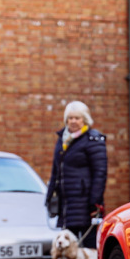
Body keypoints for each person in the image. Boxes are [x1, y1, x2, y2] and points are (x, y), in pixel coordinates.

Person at [45, 100, 107, 249]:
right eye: (70, 118)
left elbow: (100, 173)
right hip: (67, 205)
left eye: (77, 118)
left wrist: (95, 202)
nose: (73, 121)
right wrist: (49, 197)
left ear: (85, 119)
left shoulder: (93, 140)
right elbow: (56, 171)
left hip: (86, 204)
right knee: (67, 248)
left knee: (89, 248)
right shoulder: (62, 140)